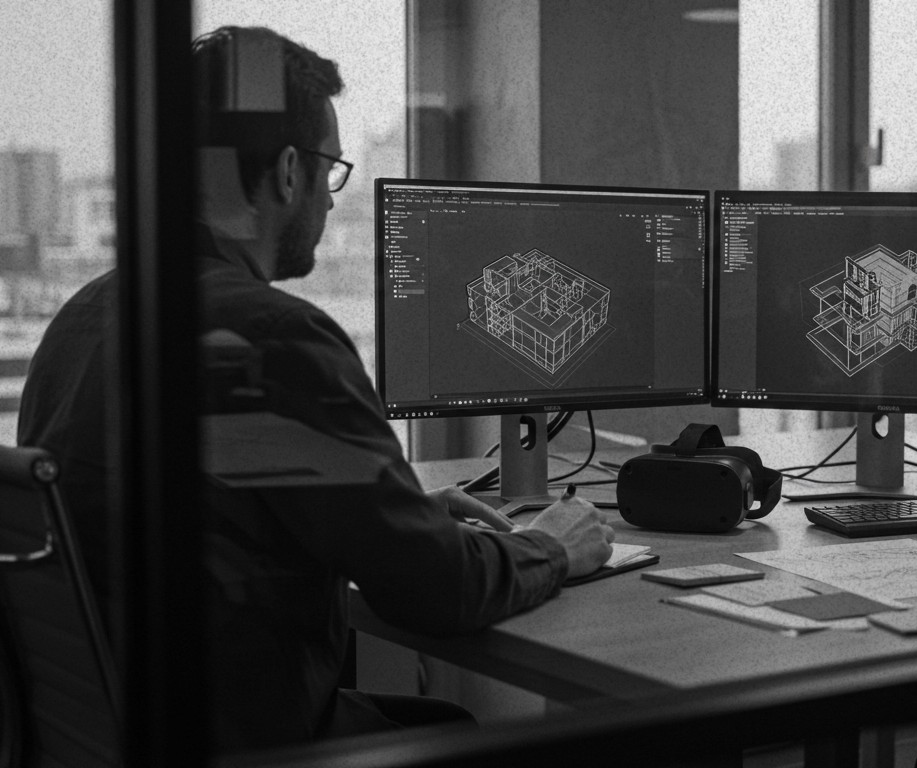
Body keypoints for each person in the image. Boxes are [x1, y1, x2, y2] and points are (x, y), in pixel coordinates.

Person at [17, 25, 614, 751]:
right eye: (331, 171)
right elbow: (437, 591)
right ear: (289, 172)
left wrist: (392, 515)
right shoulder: (273, 337)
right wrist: (550, 545)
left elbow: (192, 509)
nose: (331, 206)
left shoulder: (84, 319)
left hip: (114, 736)